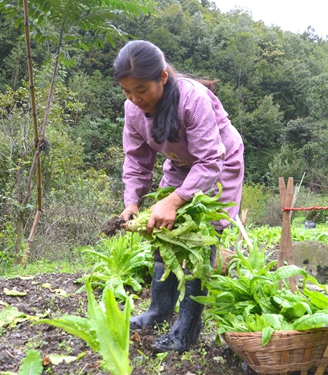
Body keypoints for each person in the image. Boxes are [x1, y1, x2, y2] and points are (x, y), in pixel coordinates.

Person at [113, 40, 245, 353]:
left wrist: (175, 200)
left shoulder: (191, 98)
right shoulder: (133, 109)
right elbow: (136, 160)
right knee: (163, 231)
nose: (135, 98)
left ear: (161, 77)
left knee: (201, 237)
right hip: (182, 163)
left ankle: (187, 329)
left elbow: (211, 161)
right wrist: (132, 202)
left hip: (219, 160)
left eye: (141, 89)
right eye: (127, 91)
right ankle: (159, 311)